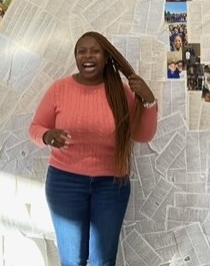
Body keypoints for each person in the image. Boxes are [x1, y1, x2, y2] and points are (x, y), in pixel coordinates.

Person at [29, 31, 158, 266]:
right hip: (64, 183)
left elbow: (142, 135)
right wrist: (48, 136)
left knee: (103, 260)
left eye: (95, 51)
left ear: (106, 57)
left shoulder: (121, 93)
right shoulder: (60, 89)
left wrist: (149, 101)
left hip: (112, 186)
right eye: (81, 51)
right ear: (76, 57)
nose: (87, 56)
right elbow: (35, 128)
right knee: (72, 259)